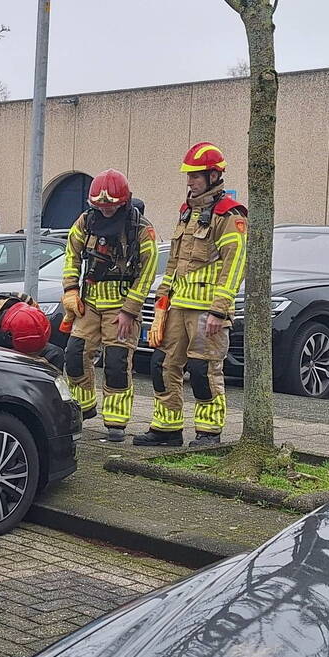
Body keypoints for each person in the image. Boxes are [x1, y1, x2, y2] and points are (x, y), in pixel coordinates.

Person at [133, 142, 247, 448]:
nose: (190, 181)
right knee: (162, 365)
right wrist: (162, 301)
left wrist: (219, 310)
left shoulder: (228, 215)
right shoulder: (187, 212)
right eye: (189, 175)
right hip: (177, 307)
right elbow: (174, 262)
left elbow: (235, 265)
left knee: (203, 371)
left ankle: (209, 433)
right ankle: (167, 429)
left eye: (195, 175)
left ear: (213, 176)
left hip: (207, 312)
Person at [61, 169, 158, 442]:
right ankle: (82, 408)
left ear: (123, 202)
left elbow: (148, 271)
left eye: (110, 205)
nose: (105, 209)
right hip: (89, 302)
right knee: (75, 355)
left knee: (116, 363)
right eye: (100, 205)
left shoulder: (140, 228)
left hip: (121, 306)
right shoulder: (86, 221)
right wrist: (70, 290)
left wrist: (129, 310)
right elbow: (72, 254)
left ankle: (116, 423)